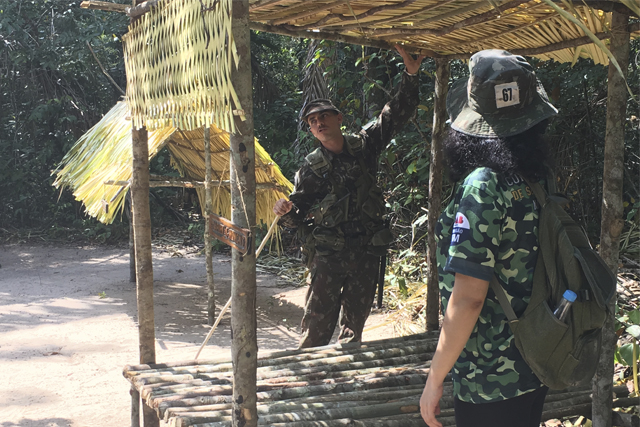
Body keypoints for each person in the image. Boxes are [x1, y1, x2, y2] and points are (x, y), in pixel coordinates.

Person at [419, 49, 558, 427]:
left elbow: (468, 298)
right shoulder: (537, 177)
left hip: (490, 377)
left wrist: (434, 379)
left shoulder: (483, 186)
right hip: (537, 355)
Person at [273, 45, 425, 349]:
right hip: (329, 256)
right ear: (311, 130)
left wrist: (411, 75)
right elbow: (296, 214)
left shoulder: (365, 146)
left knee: (353, 331)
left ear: (339, 118)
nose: (319, 123)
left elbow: (395, 115)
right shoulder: (312, 168)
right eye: (313, 121)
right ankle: (308, 377)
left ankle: (345, 379)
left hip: (366, 252)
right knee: (316, 328)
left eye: (324, 116)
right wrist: (285, 210)